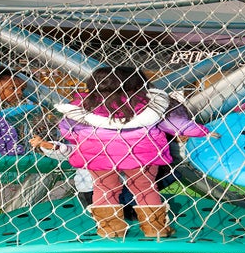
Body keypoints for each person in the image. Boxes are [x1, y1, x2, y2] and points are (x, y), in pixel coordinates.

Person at [46, 66, 217, 238]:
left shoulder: (82, 108)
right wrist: (204, 131)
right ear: (138, 85)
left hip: (98, 156)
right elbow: (175, 124)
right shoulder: (149, 105)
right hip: (142, 155)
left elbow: (68, 131)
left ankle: (110, 230)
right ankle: (154, 229)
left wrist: (85, 139)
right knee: (145, 189)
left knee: (104, 189)